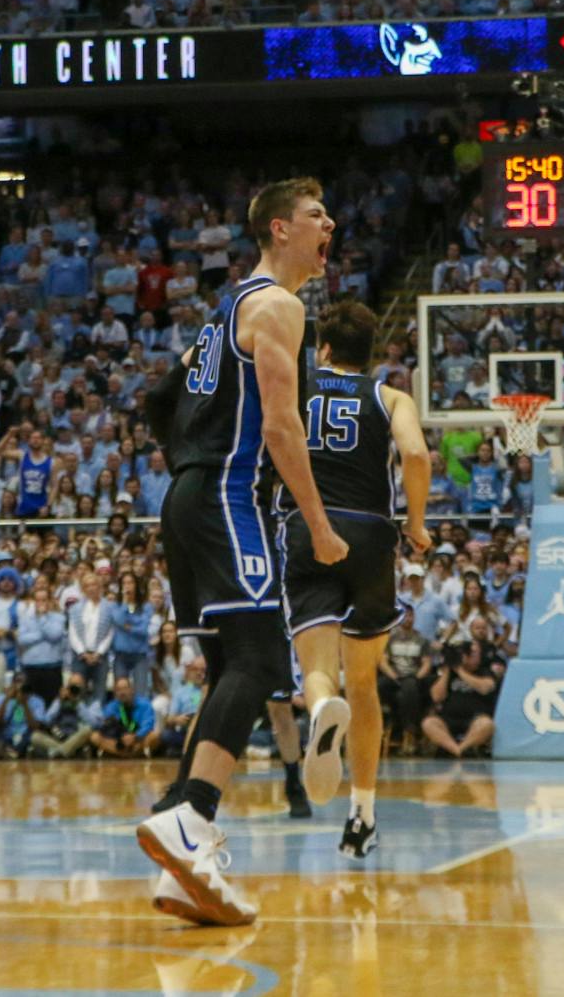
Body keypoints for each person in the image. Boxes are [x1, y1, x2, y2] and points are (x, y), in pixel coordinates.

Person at [135, 177, 344, 928]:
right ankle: (190, 816)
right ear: (279, 229)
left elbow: (160, 402)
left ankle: (181, 852)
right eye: (318, 213)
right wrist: (318, 525)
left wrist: (194, 463)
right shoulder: (279, 306)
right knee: (262, 663)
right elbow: (282, 429)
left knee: (231, 668)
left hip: (191, 496)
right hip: (228, 496)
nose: (332, 223)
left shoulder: (225, 314)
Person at [277, 299, 431, 858]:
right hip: (371, 536)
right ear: (371, 355)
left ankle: (321, 712)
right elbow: (414, 453)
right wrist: (414, 523)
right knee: (363, 684)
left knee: (318, 671)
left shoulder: (296, 387)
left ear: (322, 350)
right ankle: (362, 815)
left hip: (309, 526)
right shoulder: (389, 394)